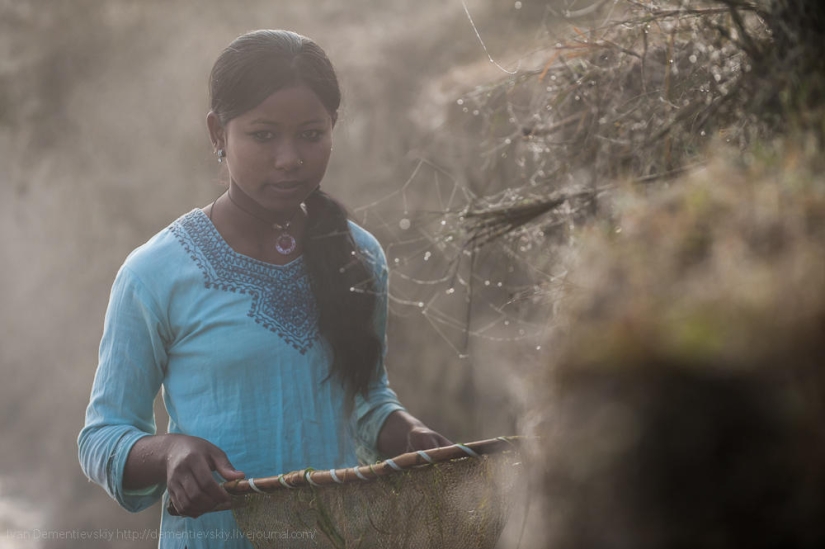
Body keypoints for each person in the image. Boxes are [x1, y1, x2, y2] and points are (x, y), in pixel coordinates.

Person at [78, 29, 450, 548]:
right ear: (218, 133)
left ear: (333, 128)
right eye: (264, 135)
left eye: (311, 134)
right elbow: (101, 438)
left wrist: (408, 433)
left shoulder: (358, 256)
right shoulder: (154, 273)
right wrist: (170, 452)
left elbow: (365, 400)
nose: (289, 158)